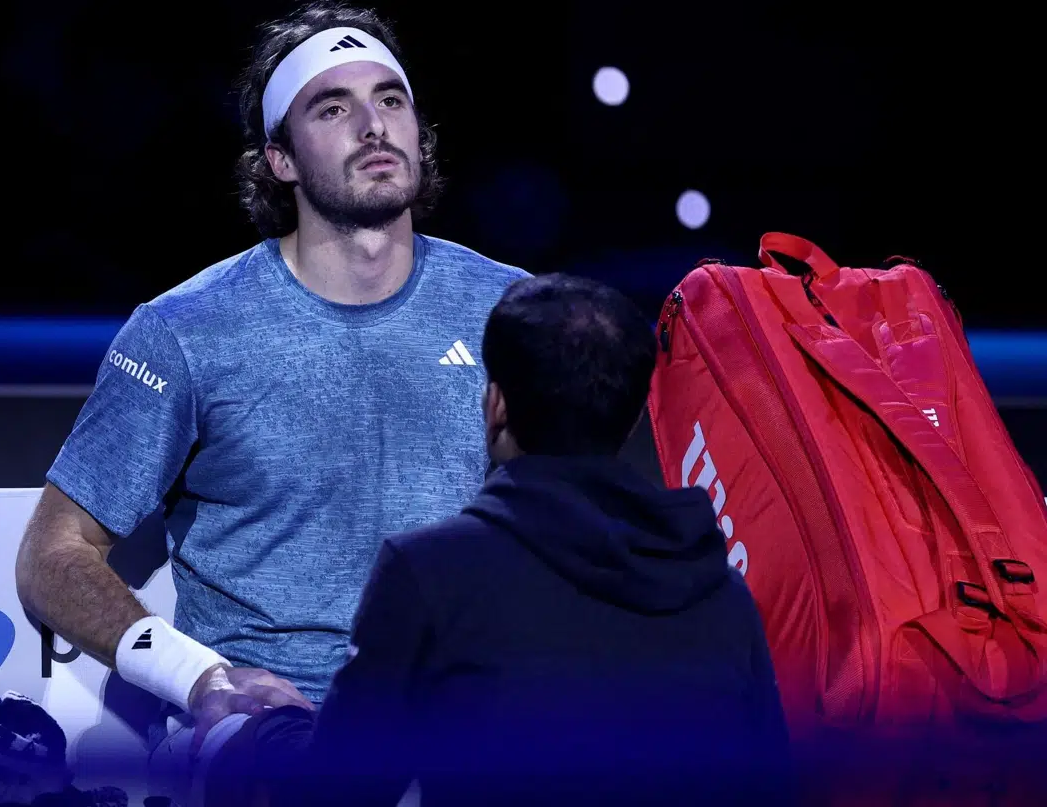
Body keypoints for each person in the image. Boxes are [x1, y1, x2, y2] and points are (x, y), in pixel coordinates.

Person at [13, 0, 528, 799]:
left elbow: (565, 513)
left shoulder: (513, 309)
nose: (374, 126)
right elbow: (53, 555)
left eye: (390, 99)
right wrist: (199, 680)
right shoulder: (185, 330)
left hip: (459, 733)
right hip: (268, 741)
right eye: (334, 108)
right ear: (280, 160)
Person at [213, 274, 794, 807]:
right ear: (635, 416)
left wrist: (256, 733)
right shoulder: (720, 593)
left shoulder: (431, 575)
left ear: (495, 406)